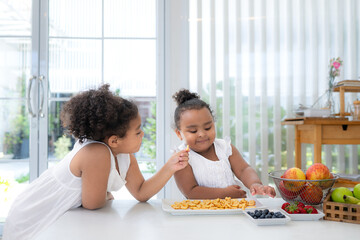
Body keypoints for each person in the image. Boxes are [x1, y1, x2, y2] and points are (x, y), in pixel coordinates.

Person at [3, 84, 189, 240]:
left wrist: (171, 166)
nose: (143, 135)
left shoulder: (124, 154)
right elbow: (92, 203)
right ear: (114, 140)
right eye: (138, 132)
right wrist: (105, 195)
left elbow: (140, 192)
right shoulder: (96, 153)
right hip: (34, 219)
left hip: (62, 219)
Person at [172, 89, 275, 199]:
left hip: (235, 210)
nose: (202, 134)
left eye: (208, 128)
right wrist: (225, 193)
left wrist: (255, 184)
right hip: (202, 214)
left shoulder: (224, 147)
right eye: (193, 131)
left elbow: (243, 170)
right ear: (179, 134)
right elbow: (190, 192)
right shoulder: (182, 158)